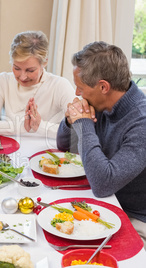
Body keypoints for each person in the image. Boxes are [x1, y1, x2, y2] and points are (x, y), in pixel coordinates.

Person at [56, 41, 146, 247]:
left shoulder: (141, 122)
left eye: (80, 87)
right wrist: (71, 121)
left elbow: (103, 184)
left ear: (103, 87)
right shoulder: (103, 104)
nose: (77, 93)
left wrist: (84, 124)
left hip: (134, 217)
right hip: (104, 205)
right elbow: (63, 147)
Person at [0, 31, 75, 138]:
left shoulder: (59, 85)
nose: (22, 77)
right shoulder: (3, 81)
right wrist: (22, 126)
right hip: (9, 151)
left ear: (44, 62)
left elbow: (79, 130)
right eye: (17, 68)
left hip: (47, 153)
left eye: (30, 70)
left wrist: (40, 126)